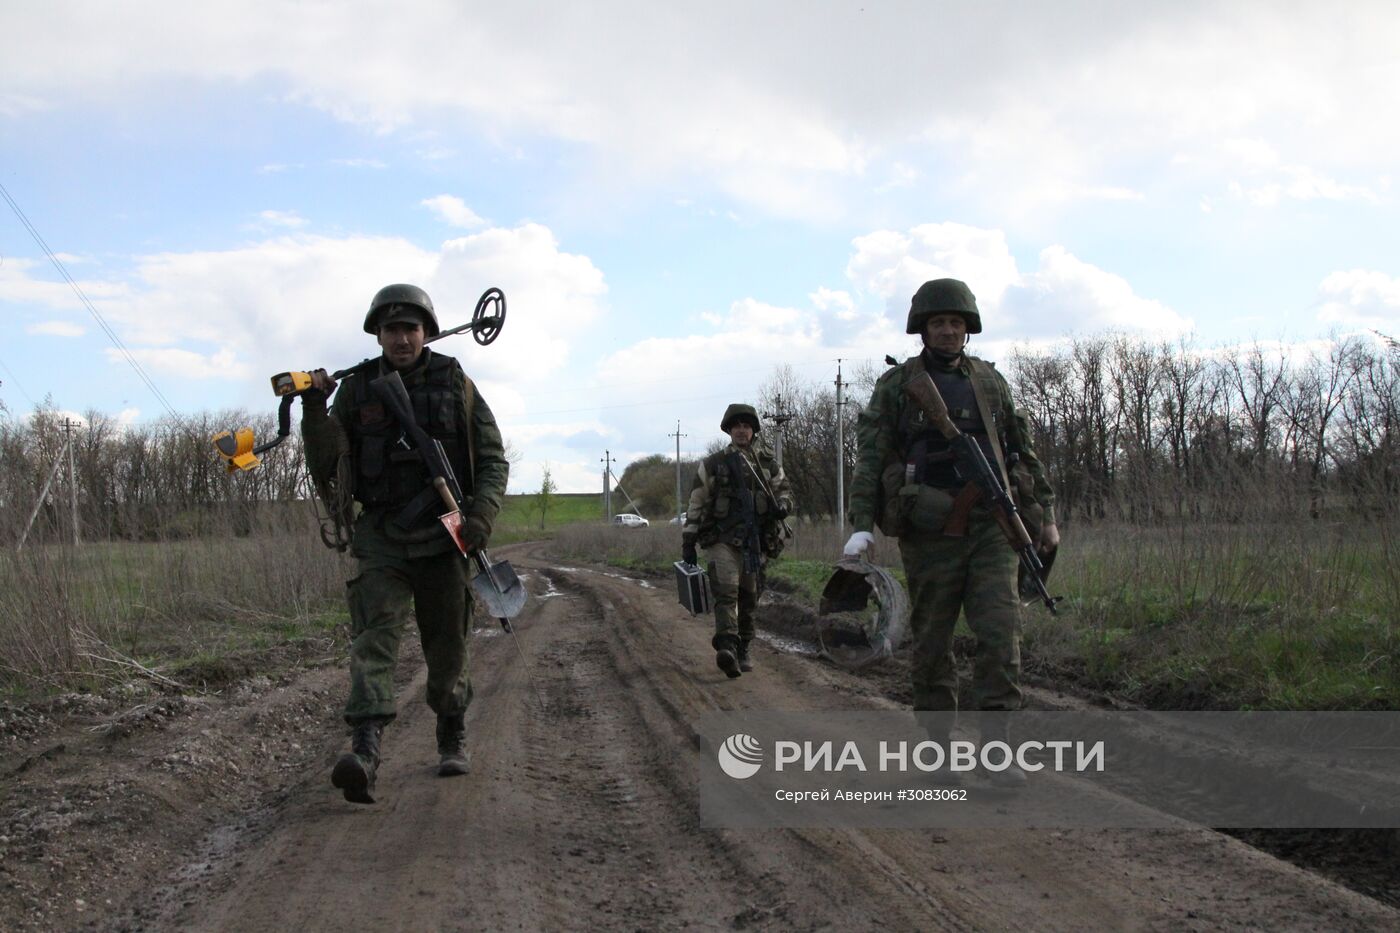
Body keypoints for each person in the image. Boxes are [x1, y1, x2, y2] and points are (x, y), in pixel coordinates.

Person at [300, 283, 510, 804]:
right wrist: (313, 412)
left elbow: (492, 458)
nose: (401, 337)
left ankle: (451, 730)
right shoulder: (357, 390)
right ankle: (365, 751)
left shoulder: (454, 382)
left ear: (426, 333)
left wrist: (481, 513)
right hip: (382, 538)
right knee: (374, 639)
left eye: (411, 328)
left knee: (448, 644)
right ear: (378, 335)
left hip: (445, 536)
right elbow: (327, 466)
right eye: (391, 329)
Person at [845, 279, 1058, 787]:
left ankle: (996, 752)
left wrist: (1045, 514)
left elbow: (1021, 452)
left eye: (956, 323)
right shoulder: (898, 386)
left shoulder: (991, 381)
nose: (947, 331)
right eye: (938, 323)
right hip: (929, 530)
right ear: (923, 328)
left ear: (968, 329)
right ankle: (938, 752)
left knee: (1001, 634)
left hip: (991, 527)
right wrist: (859, 527)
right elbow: (872, 455)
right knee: (933, 642)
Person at [682, 404, 795, 678]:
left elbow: (786, 493)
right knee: (726, 590)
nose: (742, 431)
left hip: (756, 541)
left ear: (753, 430)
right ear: (729, 431)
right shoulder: (713, 464)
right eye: (737, 426)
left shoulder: (767, 464)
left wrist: (783, 506)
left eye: (746, 426)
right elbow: (696, 501)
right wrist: (688, 539)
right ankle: (727, 647)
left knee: (749, 597)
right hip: (722, 539)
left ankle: (744, 646)